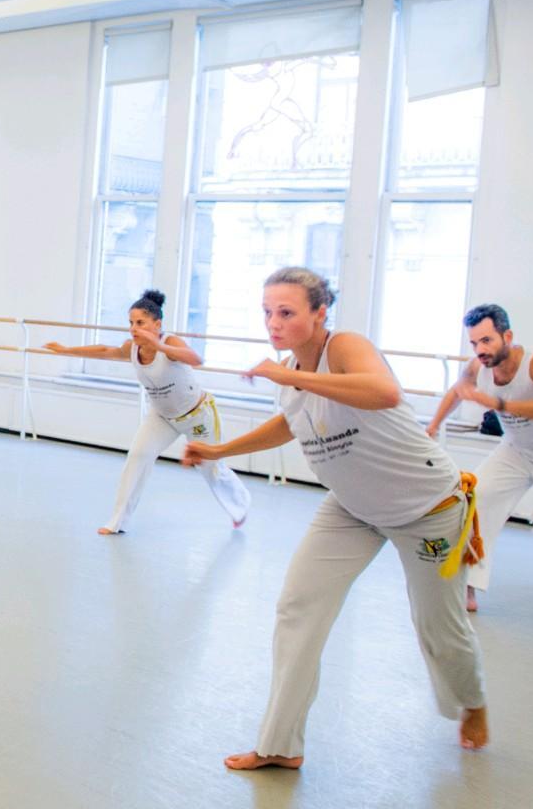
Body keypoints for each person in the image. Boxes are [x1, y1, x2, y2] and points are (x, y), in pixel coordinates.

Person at [182, 267, 488, 770]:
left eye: (286, 312)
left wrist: (289, 374)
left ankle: (473, 704)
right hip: (352, 507)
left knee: (439, 627)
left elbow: (385, 392)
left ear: (320, 313)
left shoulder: (344, 346)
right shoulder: (291, 373)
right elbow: (290, 422)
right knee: (298, 607)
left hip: (428, 509)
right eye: (267, 312)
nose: (273, 323)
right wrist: (220, 449)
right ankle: (280, 745)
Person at [427, 303, 533, 609]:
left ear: (508, 335)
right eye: (474, 342)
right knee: (475, 500)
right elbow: (458, 390)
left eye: (487, 340)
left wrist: (497, 403)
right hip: (517, 450)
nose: (480, 349)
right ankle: (468, 585)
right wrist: (434, 426)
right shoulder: (479, 365)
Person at [43, 288, 250, 535]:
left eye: (140, 322)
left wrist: (159, 346)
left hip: (198, 415)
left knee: (212, 469)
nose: (133, 328)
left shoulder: (169, 342)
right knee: (138, 457)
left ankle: (240, 506)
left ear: (157, 324)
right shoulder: (132, 347)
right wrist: (66, 350)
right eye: (131, 323)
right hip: (162, 416)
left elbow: (195, 359)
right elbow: (105, 351)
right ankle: (117, 521)